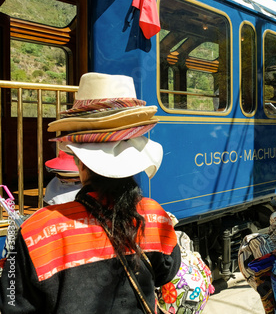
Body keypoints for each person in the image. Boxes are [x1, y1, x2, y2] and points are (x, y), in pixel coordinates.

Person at [0, 73, 181, 313]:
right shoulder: (155, 217)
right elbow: (167, 271)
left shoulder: (36, 232)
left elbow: (13, 303)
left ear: (80, 162)